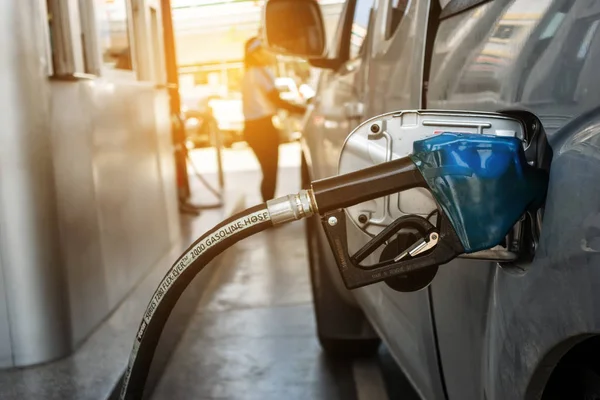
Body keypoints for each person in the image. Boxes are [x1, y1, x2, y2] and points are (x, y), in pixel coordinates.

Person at [242, 36, 306, 203]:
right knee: (270, 171)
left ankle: (267, 210)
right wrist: (303, 109)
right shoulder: (261, 72)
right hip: (262, 128)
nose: (268, 53)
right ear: (255, 54)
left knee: (267, 171)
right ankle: (269, 214)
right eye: (263, 50)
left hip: (251, 128)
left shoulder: (248, 74)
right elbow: (276, 100)